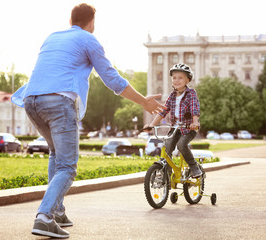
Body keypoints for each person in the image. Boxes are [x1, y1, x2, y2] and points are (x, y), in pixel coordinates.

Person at [11, 3, 166, 239]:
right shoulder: (88, 39)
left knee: (55, 154)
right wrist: (144, 101)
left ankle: (58, 210)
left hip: (31, 101)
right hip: (58, 102)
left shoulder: (52, 37)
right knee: (67, 166)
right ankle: (44, 217)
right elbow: (112, 79)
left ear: (71, 19)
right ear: (92, 22)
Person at [144, 63, 202, 179]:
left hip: (188, 129)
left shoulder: (191, 93)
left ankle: (194, 166)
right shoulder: (172, 96)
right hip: (175, 129)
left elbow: (194, 108)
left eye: (180, 78)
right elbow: (163, 112)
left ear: (187, 80)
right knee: (167, 146)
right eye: (174, 78)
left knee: (181, 145)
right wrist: (151, 125)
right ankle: (167, 175)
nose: (177, 80)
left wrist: (194, 122)